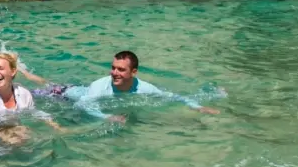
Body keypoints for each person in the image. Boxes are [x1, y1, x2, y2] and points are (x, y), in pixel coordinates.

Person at [31, 50, 221, 122]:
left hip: (78, 89)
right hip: (63, 94)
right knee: (40, 90)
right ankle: (27, 73)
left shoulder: (144, 88)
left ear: (134, 72)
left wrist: (197, 106)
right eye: (113, 68)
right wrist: (107, 117)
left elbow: (173, 96)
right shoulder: (100, 86)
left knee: (47, 82)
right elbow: (82, 105)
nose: (114, 73)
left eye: (121, 70)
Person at [0, 52, 62, 144]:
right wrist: (4, 136)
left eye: (0, 68)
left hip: (11, 128)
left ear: (13, 71)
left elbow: (33, 112)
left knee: (28, 134)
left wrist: (55, 126)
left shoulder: (24, 93)